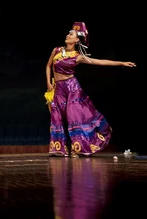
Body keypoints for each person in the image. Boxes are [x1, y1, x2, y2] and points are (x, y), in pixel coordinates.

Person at [45, 22, 136, 157]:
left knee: (73, 117)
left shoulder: (78, 56)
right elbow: (48, 66)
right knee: (59, 117)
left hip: (72, 88)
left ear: (76, 40)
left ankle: (78, 148)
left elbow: (99, 61)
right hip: (59, 88)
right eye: (68, 33)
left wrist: (121, 63)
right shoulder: (56, 50)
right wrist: (48, 82)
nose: (67, 35)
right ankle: (63, 148)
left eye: (71, 34)